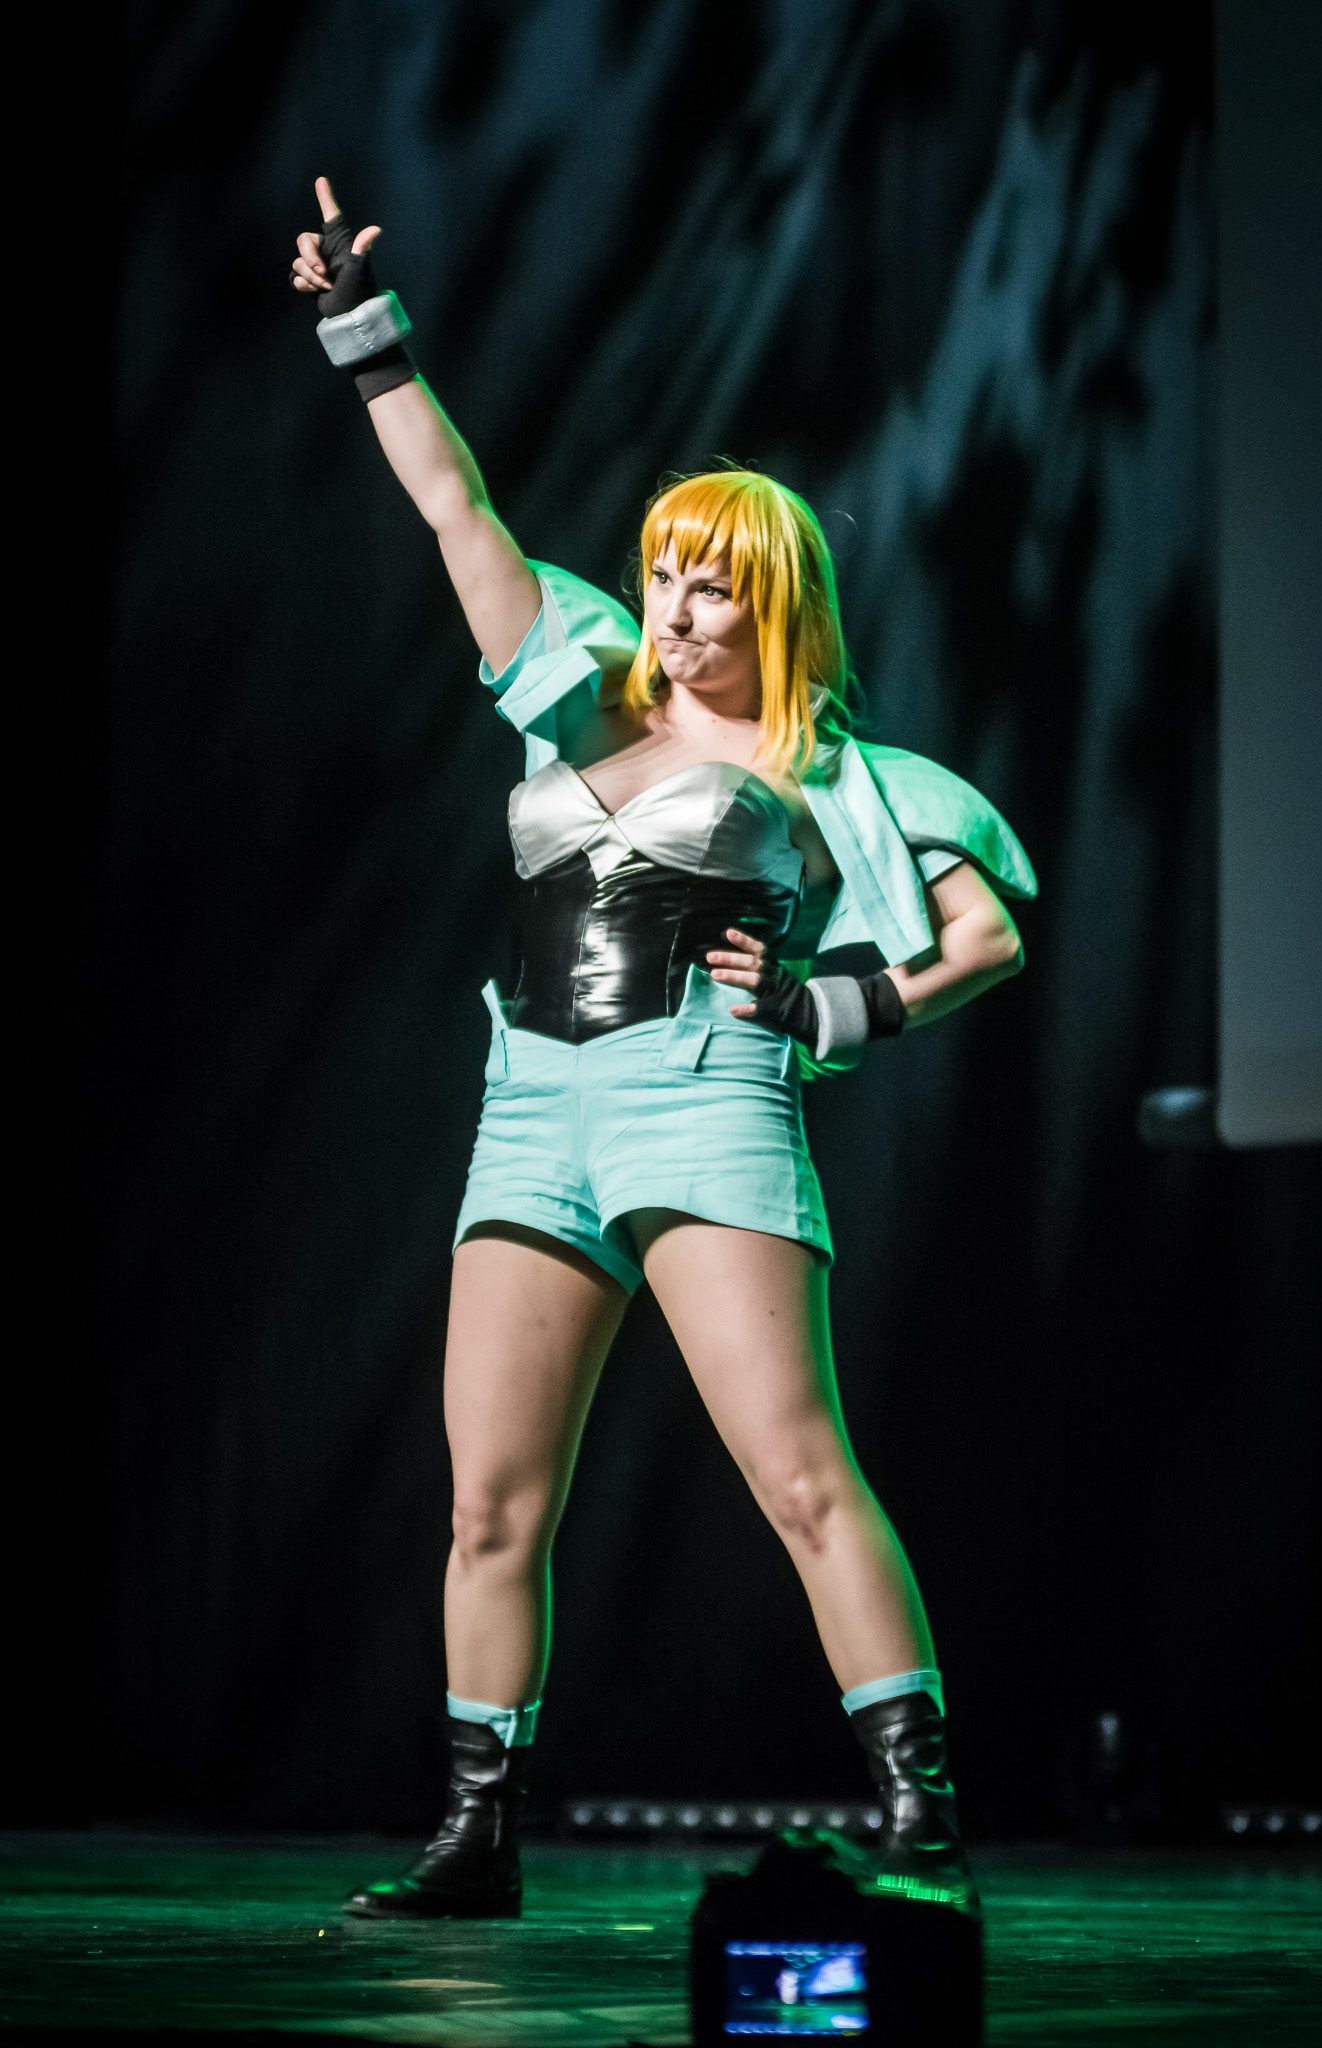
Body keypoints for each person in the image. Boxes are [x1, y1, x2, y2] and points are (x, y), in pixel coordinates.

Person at [290, 177, 1035, 1923]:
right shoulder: (573, 682)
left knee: (795, 1472)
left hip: (703, 1100)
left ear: (774, 606)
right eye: (667, 576)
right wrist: (362, 335)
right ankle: (478, 1837)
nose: (680, 608)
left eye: (714, 587)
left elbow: (985, 935)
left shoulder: (827, 765)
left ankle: (920, 1810)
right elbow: (455, 508)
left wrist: (837, 1007)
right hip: (529, 1105)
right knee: (489, 1506)